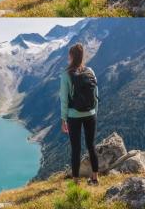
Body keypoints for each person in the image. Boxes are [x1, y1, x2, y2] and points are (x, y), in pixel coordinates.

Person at [60, 43, 99, 185]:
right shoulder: (90, 71)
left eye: (69, 55)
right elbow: (95, 95)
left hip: (74, 116)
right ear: (82, 57)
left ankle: (76, 181)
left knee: (76, 148)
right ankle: (95, 178)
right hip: (90, 114)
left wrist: (64, 119)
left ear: (71, 56)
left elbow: (64, 99)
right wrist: (94, 112)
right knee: (91, 145)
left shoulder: (66, 74)